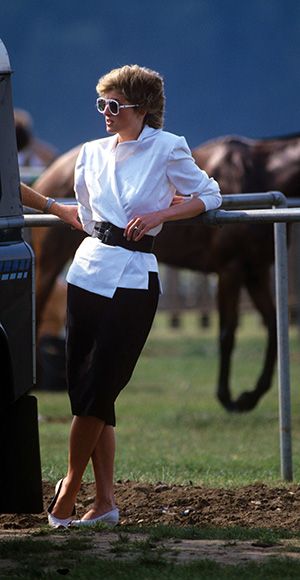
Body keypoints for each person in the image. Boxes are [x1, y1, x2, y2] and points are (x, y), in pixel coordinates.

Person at [47, 64, 222, 529]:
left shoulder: (169, 148)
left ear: (142, 109)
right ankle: (105, 503)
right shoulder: (90, 152)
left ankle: (67, 488)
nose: (105, 113)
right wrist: (50, 206)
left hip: (134, 277)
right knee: (88, 391)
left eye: (114, 105)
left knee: (101, 385)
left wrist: (163, 212)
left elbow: (209, 194)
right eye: (101, 104)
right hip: (86, 273)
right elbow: (86, 214)